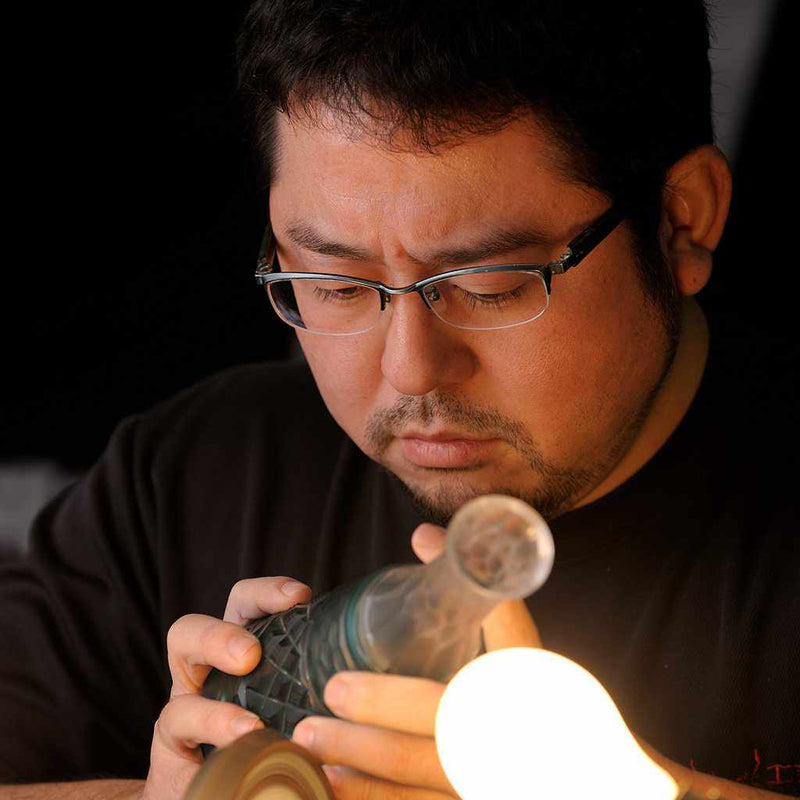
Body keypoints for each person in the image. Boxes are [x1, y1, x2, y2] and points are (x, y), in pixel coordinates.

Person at [1, 0, 798, 798]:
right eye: (336, 285)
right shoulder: (190, 474)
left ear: (681, 220)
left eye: (488, 283)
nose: (410, 371)